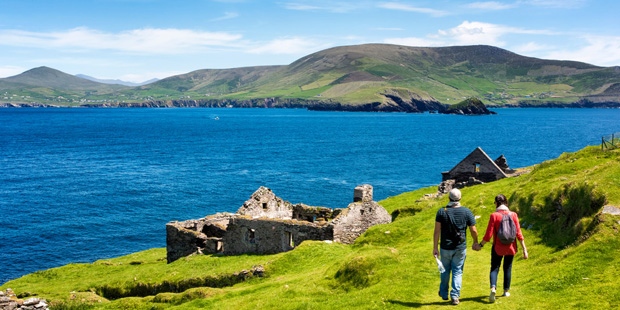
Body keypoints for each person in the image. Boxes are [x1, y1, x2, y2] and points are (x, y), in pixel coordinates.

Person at [433, 188, 480, 305]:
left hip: (445, 247)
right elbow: (473, 230)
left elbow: (436, 231)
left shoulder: (441, 212)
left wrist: (435, 247)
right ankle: (455, 296)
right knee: (457, 271)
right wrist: (475, 241)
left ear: (449, 198)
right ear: (460, 198)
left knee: (445, 270)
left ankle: (444, 294)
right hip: (460, 247)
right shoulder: (466, 211)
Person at [479, 194, 528, 303]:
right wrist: (524, 249)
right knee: (507, 268)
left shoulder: (494, 216)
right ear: (506, 202)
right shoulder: (514, 215)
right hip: (511, 247)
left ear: (496, 203)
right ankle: (506, 291)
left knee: (495, 268)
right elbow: (518, 233)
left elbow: (488, 235)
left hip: (497, 247)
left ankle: (493, 288)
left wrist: (480, 245)